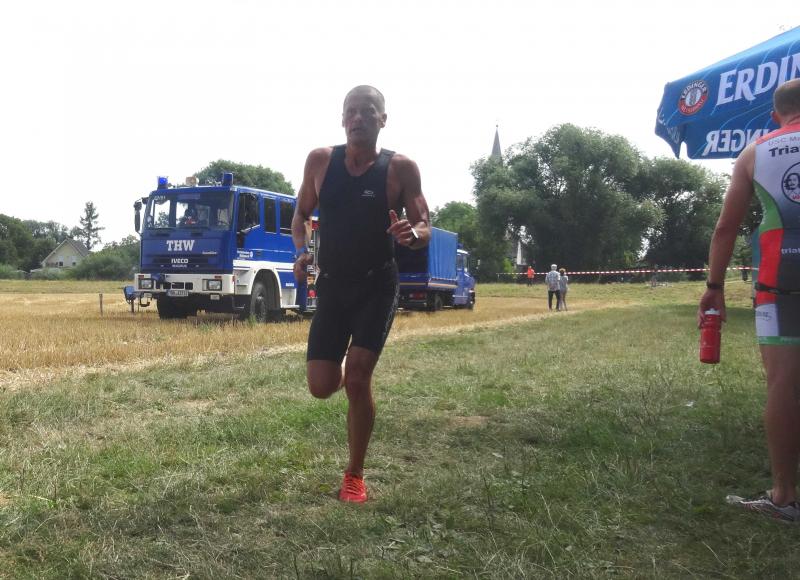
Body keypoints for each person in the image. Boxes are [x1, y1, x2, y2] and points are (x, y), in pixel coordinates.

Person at [292, 85, 431, 503]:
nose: (357, 118)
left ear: (382, 119)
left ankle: (354, 474)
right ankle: (342, 369)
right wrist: (301, 251)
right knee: (321, 386)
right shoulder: (320, 161)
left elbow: (424, 224)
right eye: (350, 111)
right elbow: (301, 214)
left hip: (377, 285)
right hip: (333, 284)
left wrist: (413, 234)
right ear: (342, 119)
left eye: (367, 111)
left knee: (357, 378)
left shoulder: (400, 168)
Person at [698, 78, 800, 522]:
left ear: (775, 115)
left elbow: (726, 228)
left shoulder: (755, 152)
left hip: (781, 277)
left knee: (783, 386)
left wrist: (714, 286)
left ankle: (784, 496)